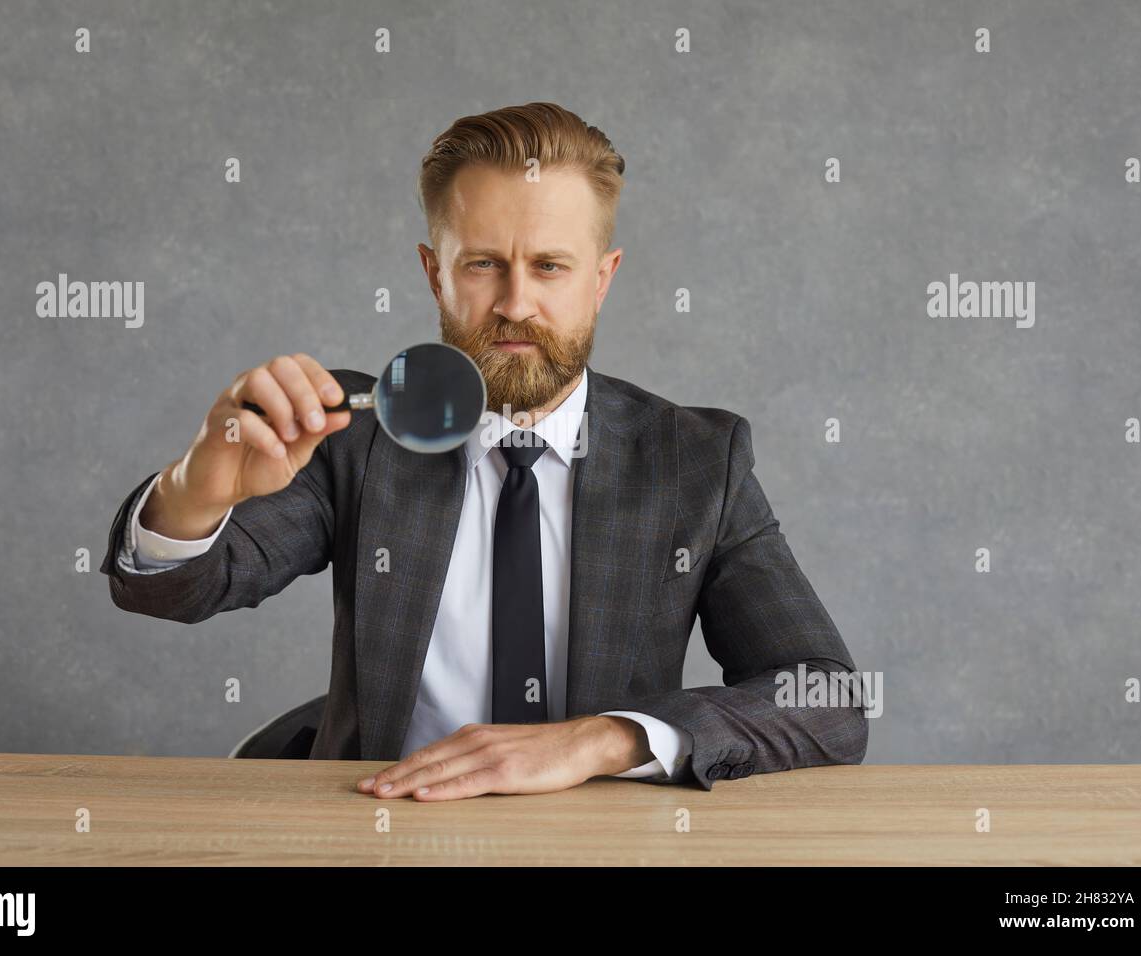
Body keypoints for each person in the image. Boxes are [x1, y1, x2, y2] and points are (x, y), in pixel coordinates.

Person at [101, 101, 867, 799]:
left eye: (550, 267)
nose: (515, 303)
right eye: (482, 264)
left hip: (601, 841)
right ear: (435, 274)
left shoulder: (695, 460)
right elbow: (173, 590)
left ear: (602, 280)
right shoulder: (350, 432)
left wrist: (603, 739)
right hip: (380, 828)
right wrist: (197, 489)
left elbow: (824, 700)